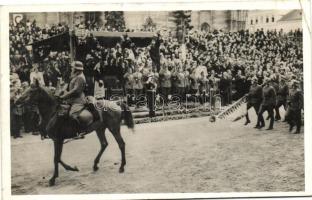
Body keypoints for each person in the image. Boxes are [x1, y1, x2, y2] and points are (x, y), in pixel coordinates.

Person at [59, 61, 87, 127]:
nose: (71, 69)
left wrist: (64, 96)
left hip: (78, 100)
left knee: (72, 115)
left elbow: (75, 91)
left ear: (77, 69)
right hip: (72, 99)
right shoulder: (76, 75)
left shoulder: (80, 77)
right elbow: (69, 84)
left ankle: (79, 131)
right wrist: (62, 91)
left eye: (72, 67)